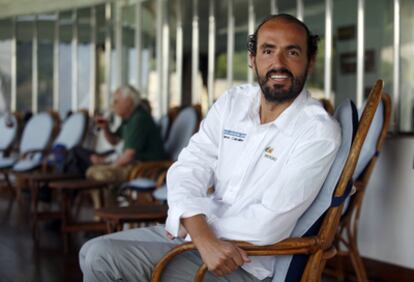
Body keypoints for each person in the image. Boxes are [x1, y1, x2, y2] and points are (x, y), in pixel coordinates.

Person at [79, 14, 341, 282]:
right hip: (198, 238)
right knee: (88, 251)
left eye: (293, 52)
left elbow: (267, 225)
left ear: (310, 62)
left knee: (102, 257)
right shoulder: (233, 103)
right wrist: (201, 235)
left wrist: (197, 229)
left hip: (244, 262)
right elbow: (188, 167)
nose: (279, 63)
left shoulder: (317, 131)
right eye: (268, 50)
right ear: (252, 59)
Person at [85, 85, 167, 183]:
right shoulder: (129, 119)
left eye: (116, 101)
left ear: (129, 102)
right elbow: (114, 141)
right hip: (135, 166)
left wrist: (109, 165)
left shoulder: (139, 119)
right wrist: (106, 128)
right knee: (92, 170)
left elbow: (129, 155)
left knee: (95, 173)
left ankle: (109, 198)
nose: (113, 105)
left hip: (144, 169)